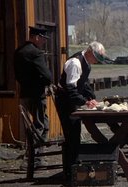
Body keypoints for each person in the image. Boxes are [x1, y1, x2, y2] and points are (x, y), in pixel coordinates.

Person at [54, 41, 108, 180]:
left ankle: (75, 166)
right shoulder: (75, 63)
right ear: (89, 52)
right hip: (65, 101)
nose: (96, 61)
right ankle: (69, 170)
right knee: (71, 133)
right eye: (96, 58)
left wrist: (92, 97)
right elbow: (71, 89)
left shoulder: (87, 63)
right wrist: (85, 101)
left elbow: (83, 84)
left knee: (76, 133)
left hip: (72, 99)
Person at [14, 26, 52, 168]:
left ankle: (33, 157)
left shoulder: (19, 52)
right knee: (41, 126)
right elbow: (47, 76)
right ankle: (35, 159)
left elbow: (17, 75)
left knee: (31, 128)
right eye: (42, 39)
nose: (43, 42)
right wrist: (45, 82)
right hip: (37, 95)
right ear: (36, 37)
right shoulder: (36, 53)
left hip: (24, 93)